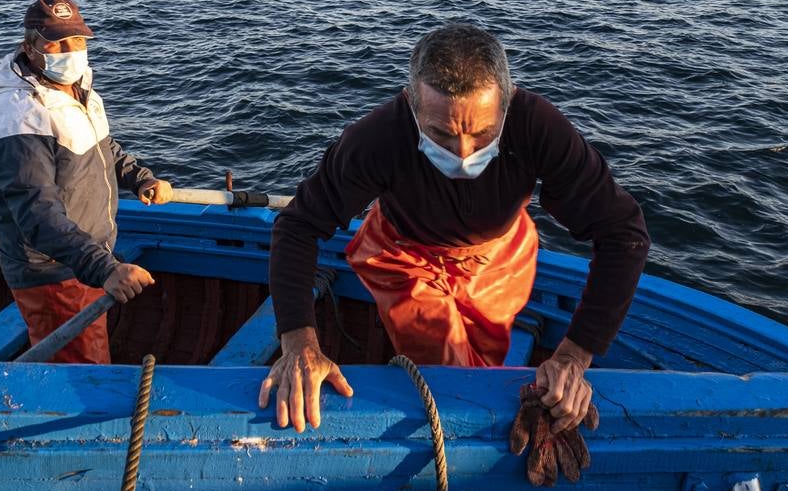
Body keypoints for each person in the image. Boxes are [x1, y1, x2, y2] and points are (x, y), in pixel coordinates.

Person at [261, 23, 650, 432]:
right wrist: (298, 341)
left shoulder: (538, 128)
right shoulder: (377, 138)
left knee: (488, 356)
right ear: (412, 105)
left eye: (483, 134)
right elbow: (299, 225)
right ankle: (460, 432)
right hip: (406, 254)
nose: (463, 156)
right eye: (441, 135)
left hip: (500, 256)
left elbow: (623, 232)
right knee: (447, 359)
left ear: (508, 102)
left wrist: (574, 357)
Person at [0, 0, 172, 364]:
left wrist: (140, 178)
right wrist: (105, 268)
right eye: (57, 42)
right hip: (53, 272)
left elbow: (103, 148)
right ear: (29, 46)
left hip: (86, 258)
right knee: (83, 369)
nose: (71, 51)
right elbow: (37, 214)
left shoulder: (76, 91)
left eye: (77, 40)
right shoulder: (17, 114)